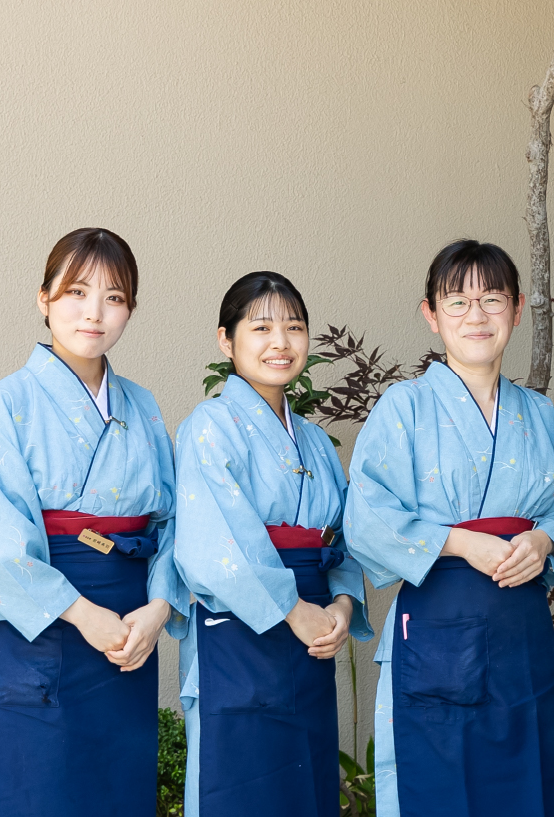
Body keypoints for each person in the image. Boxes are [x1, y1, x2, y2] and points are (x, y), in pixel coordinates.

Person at [345, 239, 554, 817]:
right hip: (438, 615)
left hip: (520, 622)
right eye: (456, 301)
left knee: (522, 783)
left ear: (518, 307)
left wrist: (543, 539)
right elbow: (366, 514)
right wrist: (460, 542)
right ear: (431, 314)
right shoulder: (403, 407)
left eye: (492, 298)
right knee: (435, 784)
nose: (476, 315)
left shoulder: (537, 412)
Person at [0, 227, 184, 817]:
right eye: (77, 292)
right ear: (44, 300)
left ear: (130, 309)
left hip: (126, 636)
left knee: (117, 794)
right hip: (47, 628)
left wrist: (158, 608)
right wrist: (83, 615)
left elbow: (176, 523)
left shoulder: (143, 406)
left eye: (114, 297)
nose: (94, 312)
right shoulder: (6, 403)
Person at [174, 271, 371, 817]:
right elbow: (212, 545)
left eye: (294, 327)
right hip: (240, 632)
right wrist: (292, 609)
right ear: (226, 339)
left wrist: (341, 603)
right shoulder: (210, 426)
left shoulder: (312, 439)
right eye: (260, 327)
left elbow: (341, 537)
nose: (280, 342)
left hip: (312, 632)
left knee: (305, 788)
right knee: (241, 787)